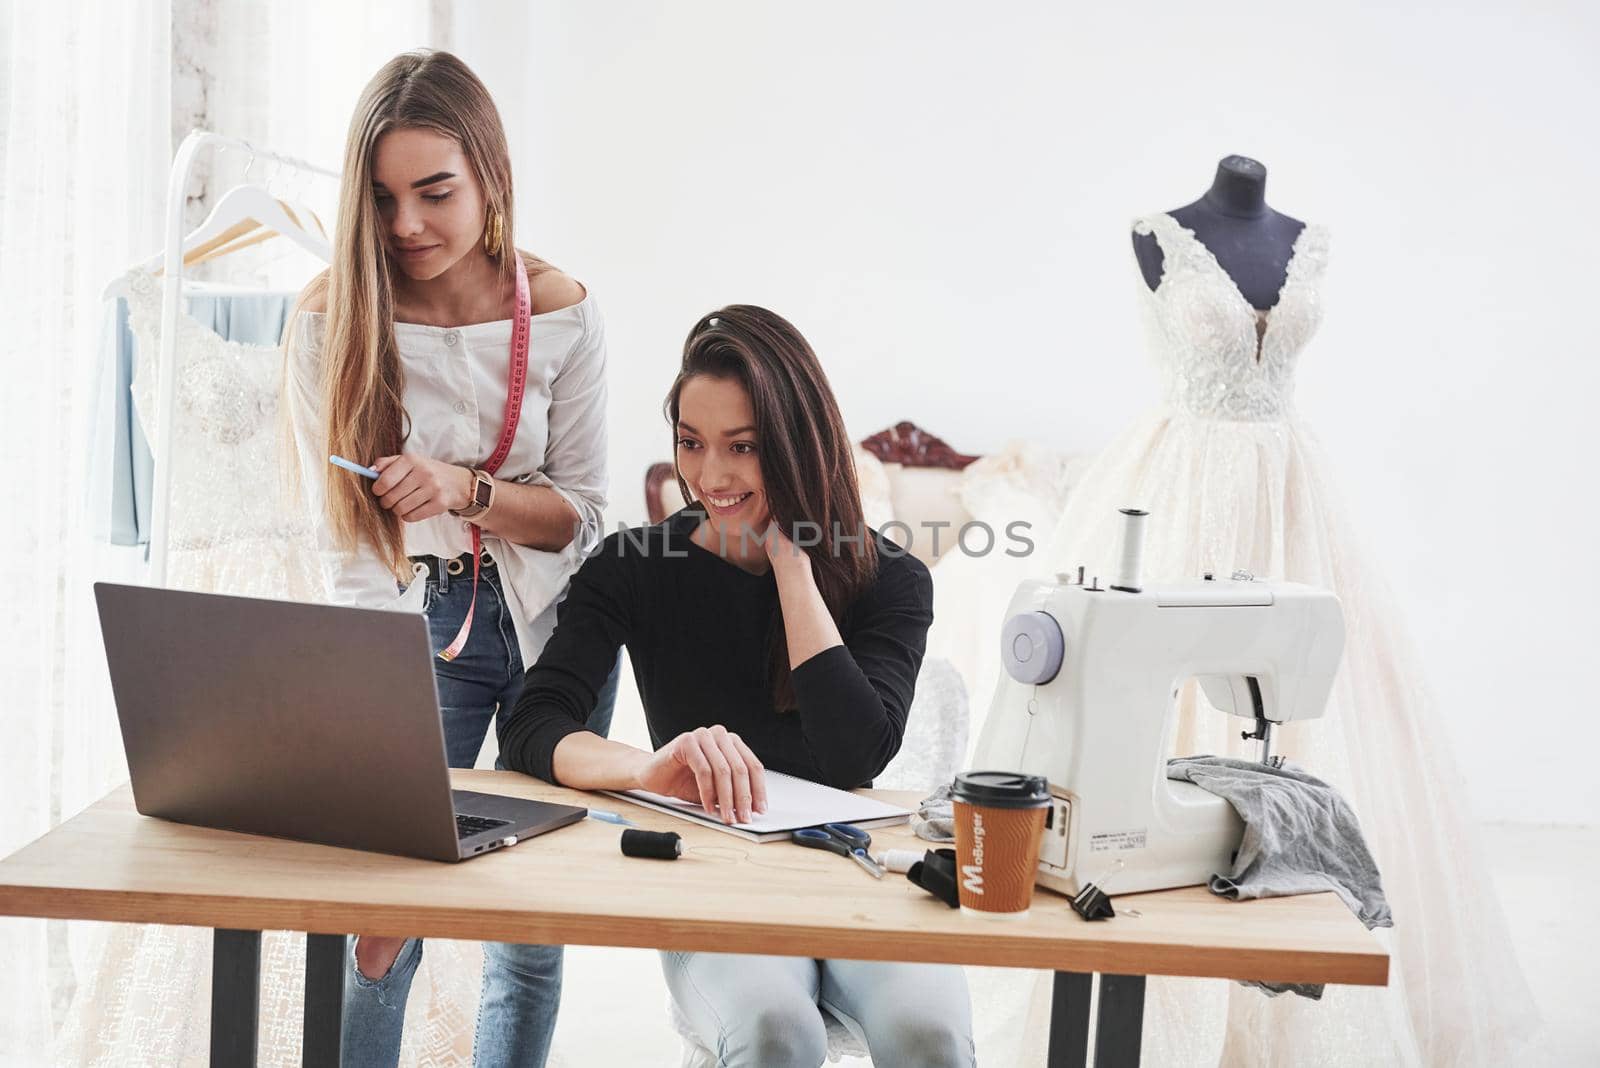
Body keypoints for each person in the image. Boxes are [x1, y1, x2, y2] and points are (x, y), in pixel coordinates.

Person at [498, 305, 975, 1068]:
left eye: (743, 448)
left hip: (853, 872)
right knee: (775, 1031)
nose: (709, 476)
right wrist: (642, 770)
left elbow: (854, 752)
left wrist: (794, 563)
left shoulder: (892, 580)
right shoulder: (635, 565)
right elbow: (533, 726)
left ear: (797, 449)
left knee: (933, 1036)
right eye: (691, 443)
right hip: (714, 876)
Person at [283, 49, 618, 1068]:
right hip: (414, 630)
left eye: (435, 192)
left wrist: (467, 490)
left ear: (491, 176)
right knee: (381, 921)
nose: (406, 226)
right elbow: (341, 539)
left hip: (558, 633)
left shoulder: (561, 309)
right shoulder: (326, 319)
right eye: (381, 199)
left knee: (531, 929)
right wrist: (367, 686)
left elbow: (583, 518)